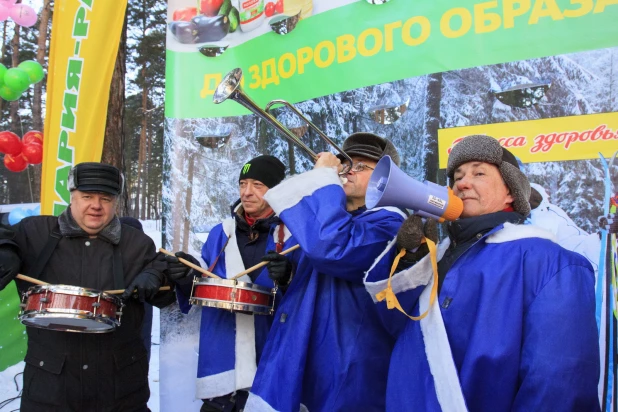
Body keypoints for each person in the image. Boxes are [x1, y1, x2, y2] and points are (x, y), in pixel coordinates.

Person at [364, 134, 600, 411]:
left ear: (511, 192)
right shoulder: (438, 257)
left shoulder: (552, 263)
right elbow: (394, 328)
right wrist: (409, 259)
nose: (462, 183)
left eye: (479, 173)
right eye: (458, 176)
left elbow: (558, 385)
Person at [244, 133, 407, 411]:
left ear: (386, 178)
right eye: (346, 164)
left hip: (348, 373)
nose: (347, 171)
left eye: (361, 166)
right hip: (314, 360)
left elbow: (333, 248)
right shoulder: (337, 218)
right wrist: (289, 278)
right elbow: (324, 278)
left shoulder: (390, 223)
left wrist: (323, 181)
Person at [0, 162, 176, 412]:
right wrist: (5, 247)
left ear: (115, 202)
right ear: (72, 197)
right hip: (50, 390)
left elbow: (166, 285)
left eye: (105, 198)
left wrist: (159, 276)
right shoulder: (34, 233)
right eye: (87, 196)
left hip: (120, 392)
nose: (96, 205)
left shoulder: (137, 243)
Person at [170, 155, 298, 412]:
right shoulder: (221, 233)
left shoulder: (293, 235)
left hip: (270, 370)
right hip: (220, 371)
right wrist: (186, 279)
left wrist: (288, 279)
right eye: (243, 183)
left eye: (257, 185)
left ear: (276, 189)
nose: (247, 193)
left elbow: (308, 299)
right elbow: (204, 291)